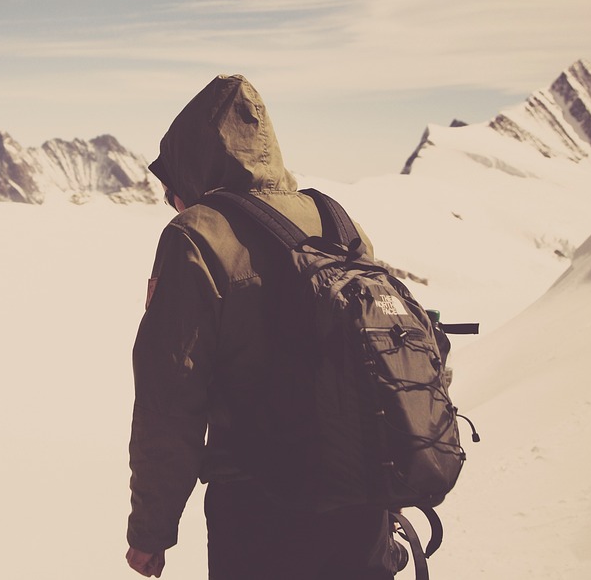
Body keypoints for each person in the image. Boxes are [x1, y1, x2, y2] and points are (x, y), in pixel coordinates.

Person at [125, 74, 397, 580]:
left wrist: (151, 531)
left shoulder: (196, 235)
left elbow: (170, 400)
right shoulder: (340, 221)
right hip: (364, 509)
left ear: (192, 169)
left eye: (172, 192)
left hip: (261, 513)